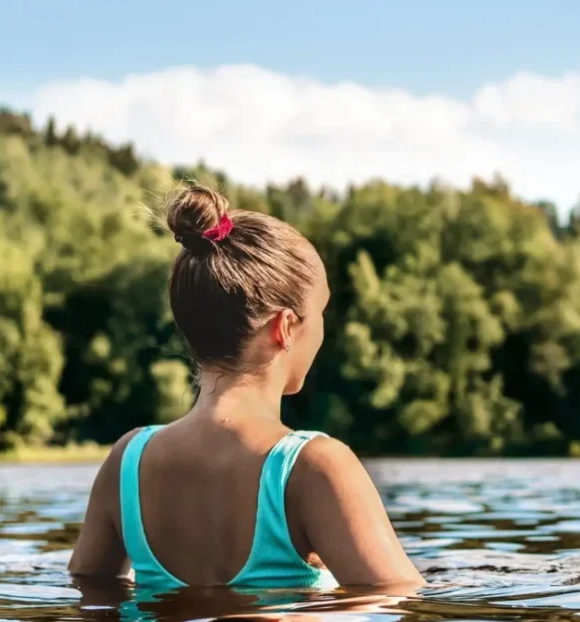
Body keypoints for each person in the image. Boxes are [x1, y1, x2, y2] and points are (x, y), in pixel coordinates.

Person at [70, 186, 422, 590]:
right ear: (285, 327)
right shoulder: (315, 467)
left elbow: (89, 591)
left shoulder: (126, 462)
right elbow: (397, 605)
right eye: (321, 312)